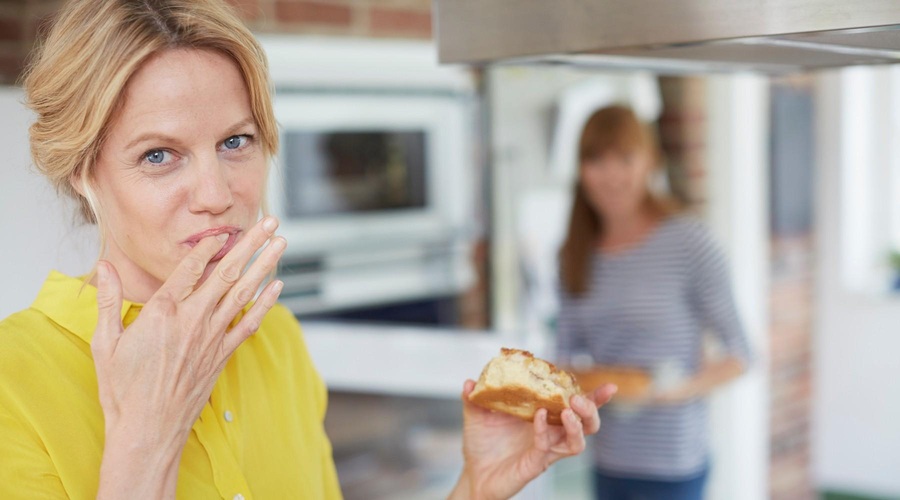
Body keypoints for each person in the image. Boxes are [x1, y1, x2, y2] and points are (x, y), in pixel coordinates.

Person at [0, 1, 617, 498]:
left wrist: (477, 488)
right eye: (158, 155)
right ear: (83, 172)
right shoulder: (14, 383)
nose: (217, 194)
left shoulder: (276, 341)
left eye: (236, 141)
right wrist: (147, 439)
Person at [555, 105, 752, 500]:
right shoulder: (574, 253)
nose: (611, 176)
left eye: (625, 159)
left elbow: (740, 354)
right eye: (596, 160)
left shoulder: (689, 242)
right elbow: (566, 353)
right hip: (607, 459)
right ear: (580, 170)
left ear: (650, 163)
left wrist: (674, 390)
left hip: (673, 463)